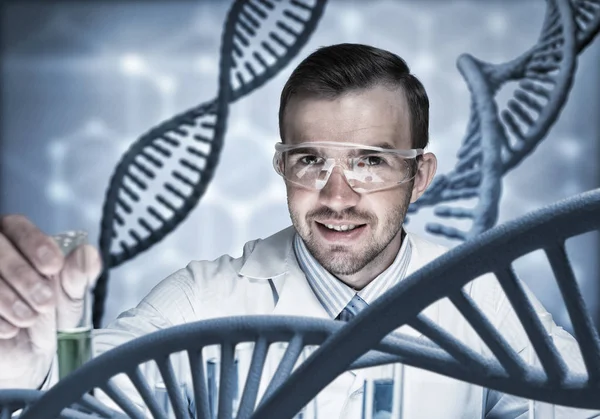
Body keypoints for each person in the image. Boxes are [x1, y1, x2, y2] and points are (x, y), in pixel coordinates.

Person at [0, 43, 594, 418]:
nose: (337, 197)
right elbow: (80, 396)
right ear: (282, 166)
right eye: (311, 161)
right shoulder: (204, 296)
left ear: (419, 176)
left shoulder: (484, 299)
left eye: (370, 162)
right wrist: (27, 369)